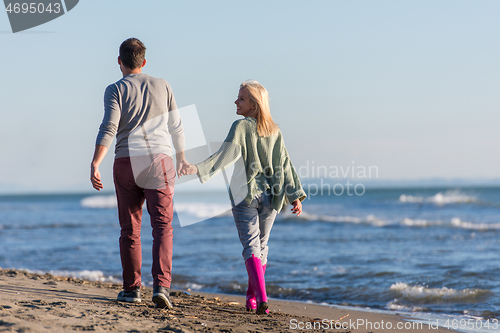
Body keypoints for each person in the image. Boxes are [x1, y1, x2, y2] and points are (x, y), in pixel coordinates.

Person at [181, 80, 306, 315]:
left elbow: (225, 155)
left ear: (255, 105)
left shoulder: (240, 127)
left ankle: (261, 298)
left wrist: (198, 168)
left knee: (251, 247)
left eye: (241, 98)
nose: (236, 101)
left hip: (244, 195)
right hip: (271, 196)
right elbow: (285, 164)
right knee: (261, 247)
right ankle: (252, 298)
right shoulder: (274, 131)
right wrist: (294, 195)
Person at [90, 38, 189, 309]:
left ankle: (132, 290)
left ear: (119, 62)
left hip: (125, 161)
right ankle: (162, 288)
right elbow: (177, 127)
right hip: (159, 160)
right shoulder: (163, 84)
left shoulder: (114, 89)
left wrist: (96, 162)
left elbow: (109, 126)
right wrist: (181, 158)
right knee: (162, 226)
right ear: (144, 62)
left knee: (130, 229)